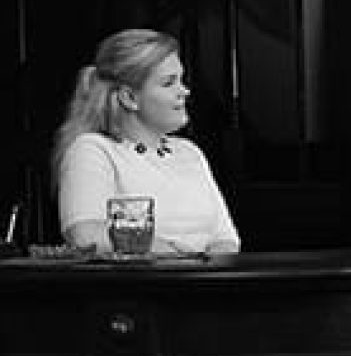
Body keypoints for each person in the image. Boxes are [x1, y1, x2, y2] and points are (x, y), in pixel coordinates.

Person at [52, 28, 241, 256]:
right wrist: (174, 256)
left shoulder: (189, 153)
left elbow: (226, 238)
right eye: (169, 83)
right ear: (129, 98)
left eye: (181, 80)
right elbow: (85, 235)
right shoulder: (93, 151)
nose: (185, 91)